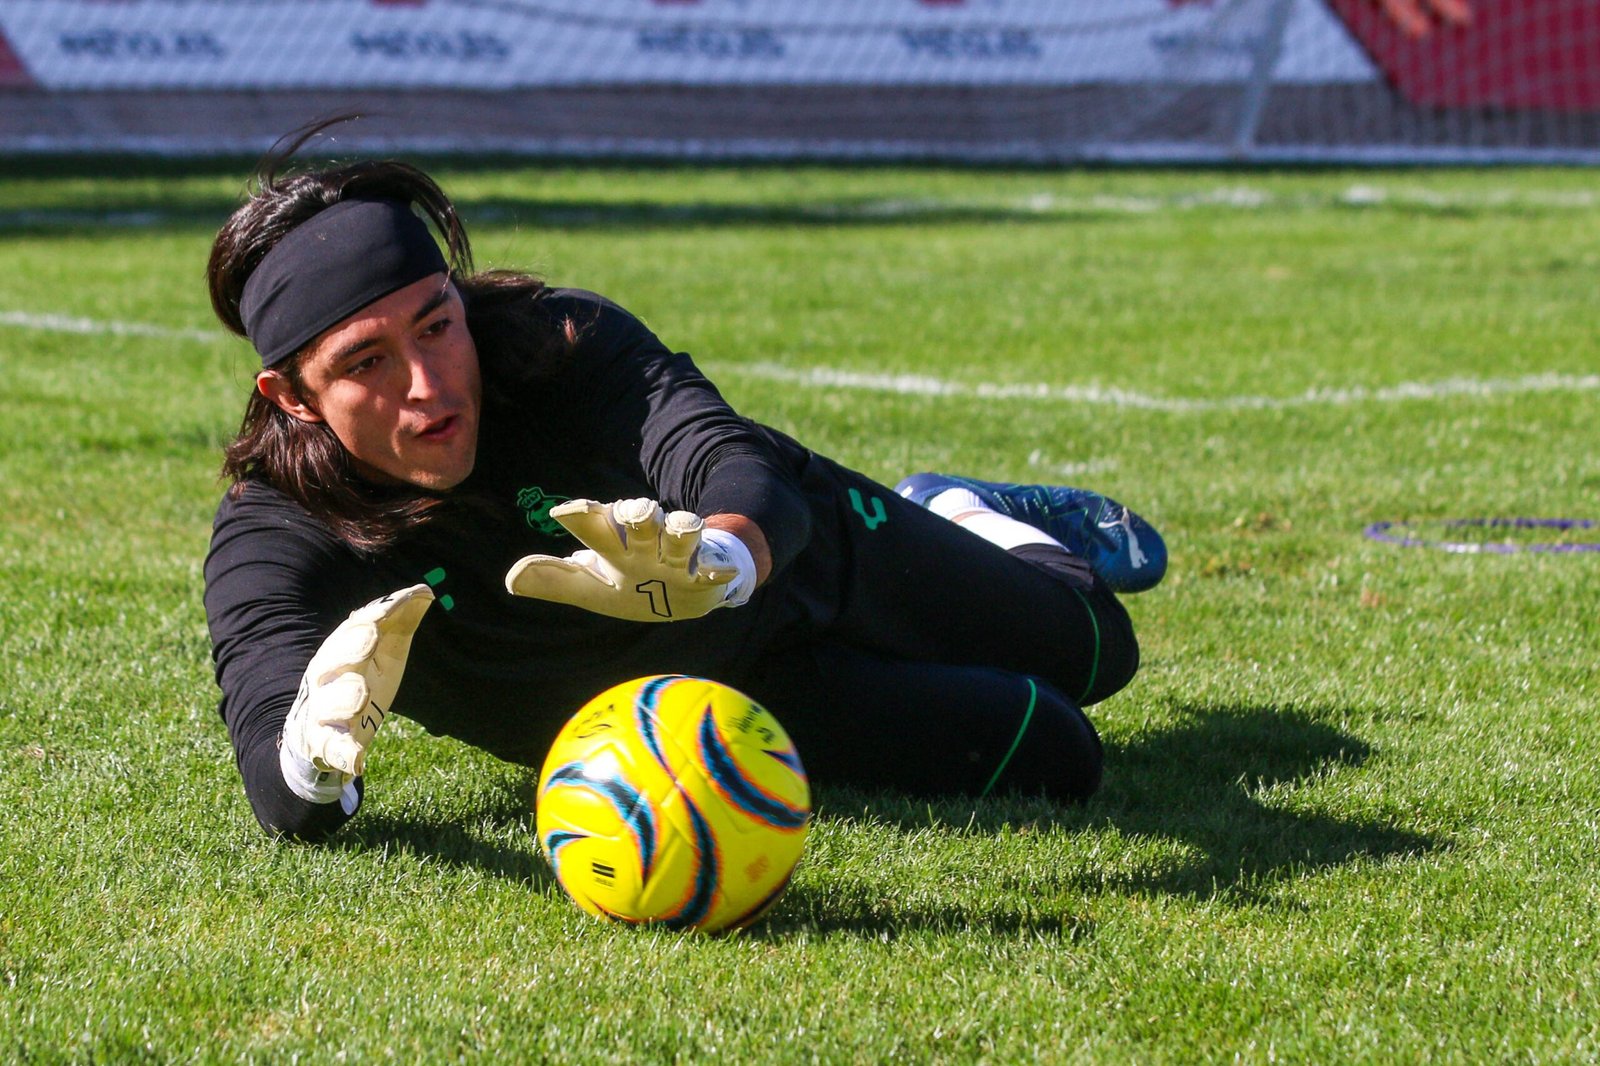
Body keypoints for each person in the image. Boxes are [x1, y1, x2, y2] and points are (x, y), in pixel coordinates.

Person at [203, 128, 1168, 842]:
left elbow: (730, 461)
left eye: (435, 325)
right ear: (290, 395)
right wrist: (310, 760)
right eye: (365, 362)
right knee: (1057, 753)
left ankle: (961, 513)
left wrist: (718, 558)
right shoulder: (277, 530)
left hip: (799, 554)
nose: (426, 385)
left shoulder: (559, 345)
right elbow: (272, 763)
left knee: (1096, 651)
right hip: (720, 703)